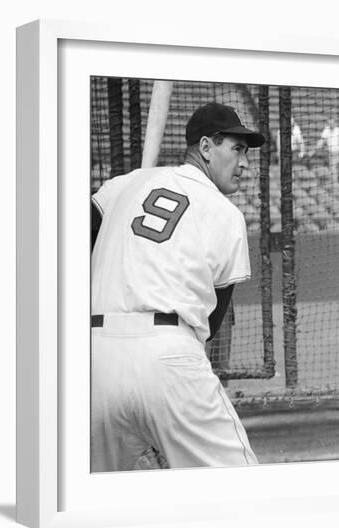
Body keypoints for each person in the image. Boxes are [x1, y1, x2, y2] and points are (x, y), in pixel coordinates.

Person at [90, 102, 265, 472]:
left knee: (87, 502)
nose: (245, 163)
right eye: (237, 148)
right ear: (205, 147)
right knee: (244, 492)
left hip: (94, 360)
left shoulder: (127, 184)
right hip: (169, 357)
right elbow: (211, 324)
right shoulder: (225, 214)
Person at [311, 116, 339, 185]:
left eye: (332, 123)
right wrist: (314, 149)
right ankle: (336, 186)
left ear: (335, 122)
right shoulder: (326, 130)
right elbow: (321, 141)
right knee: (333, 172)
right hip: (331, 154)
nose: (330, 124)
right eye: (329, 123)